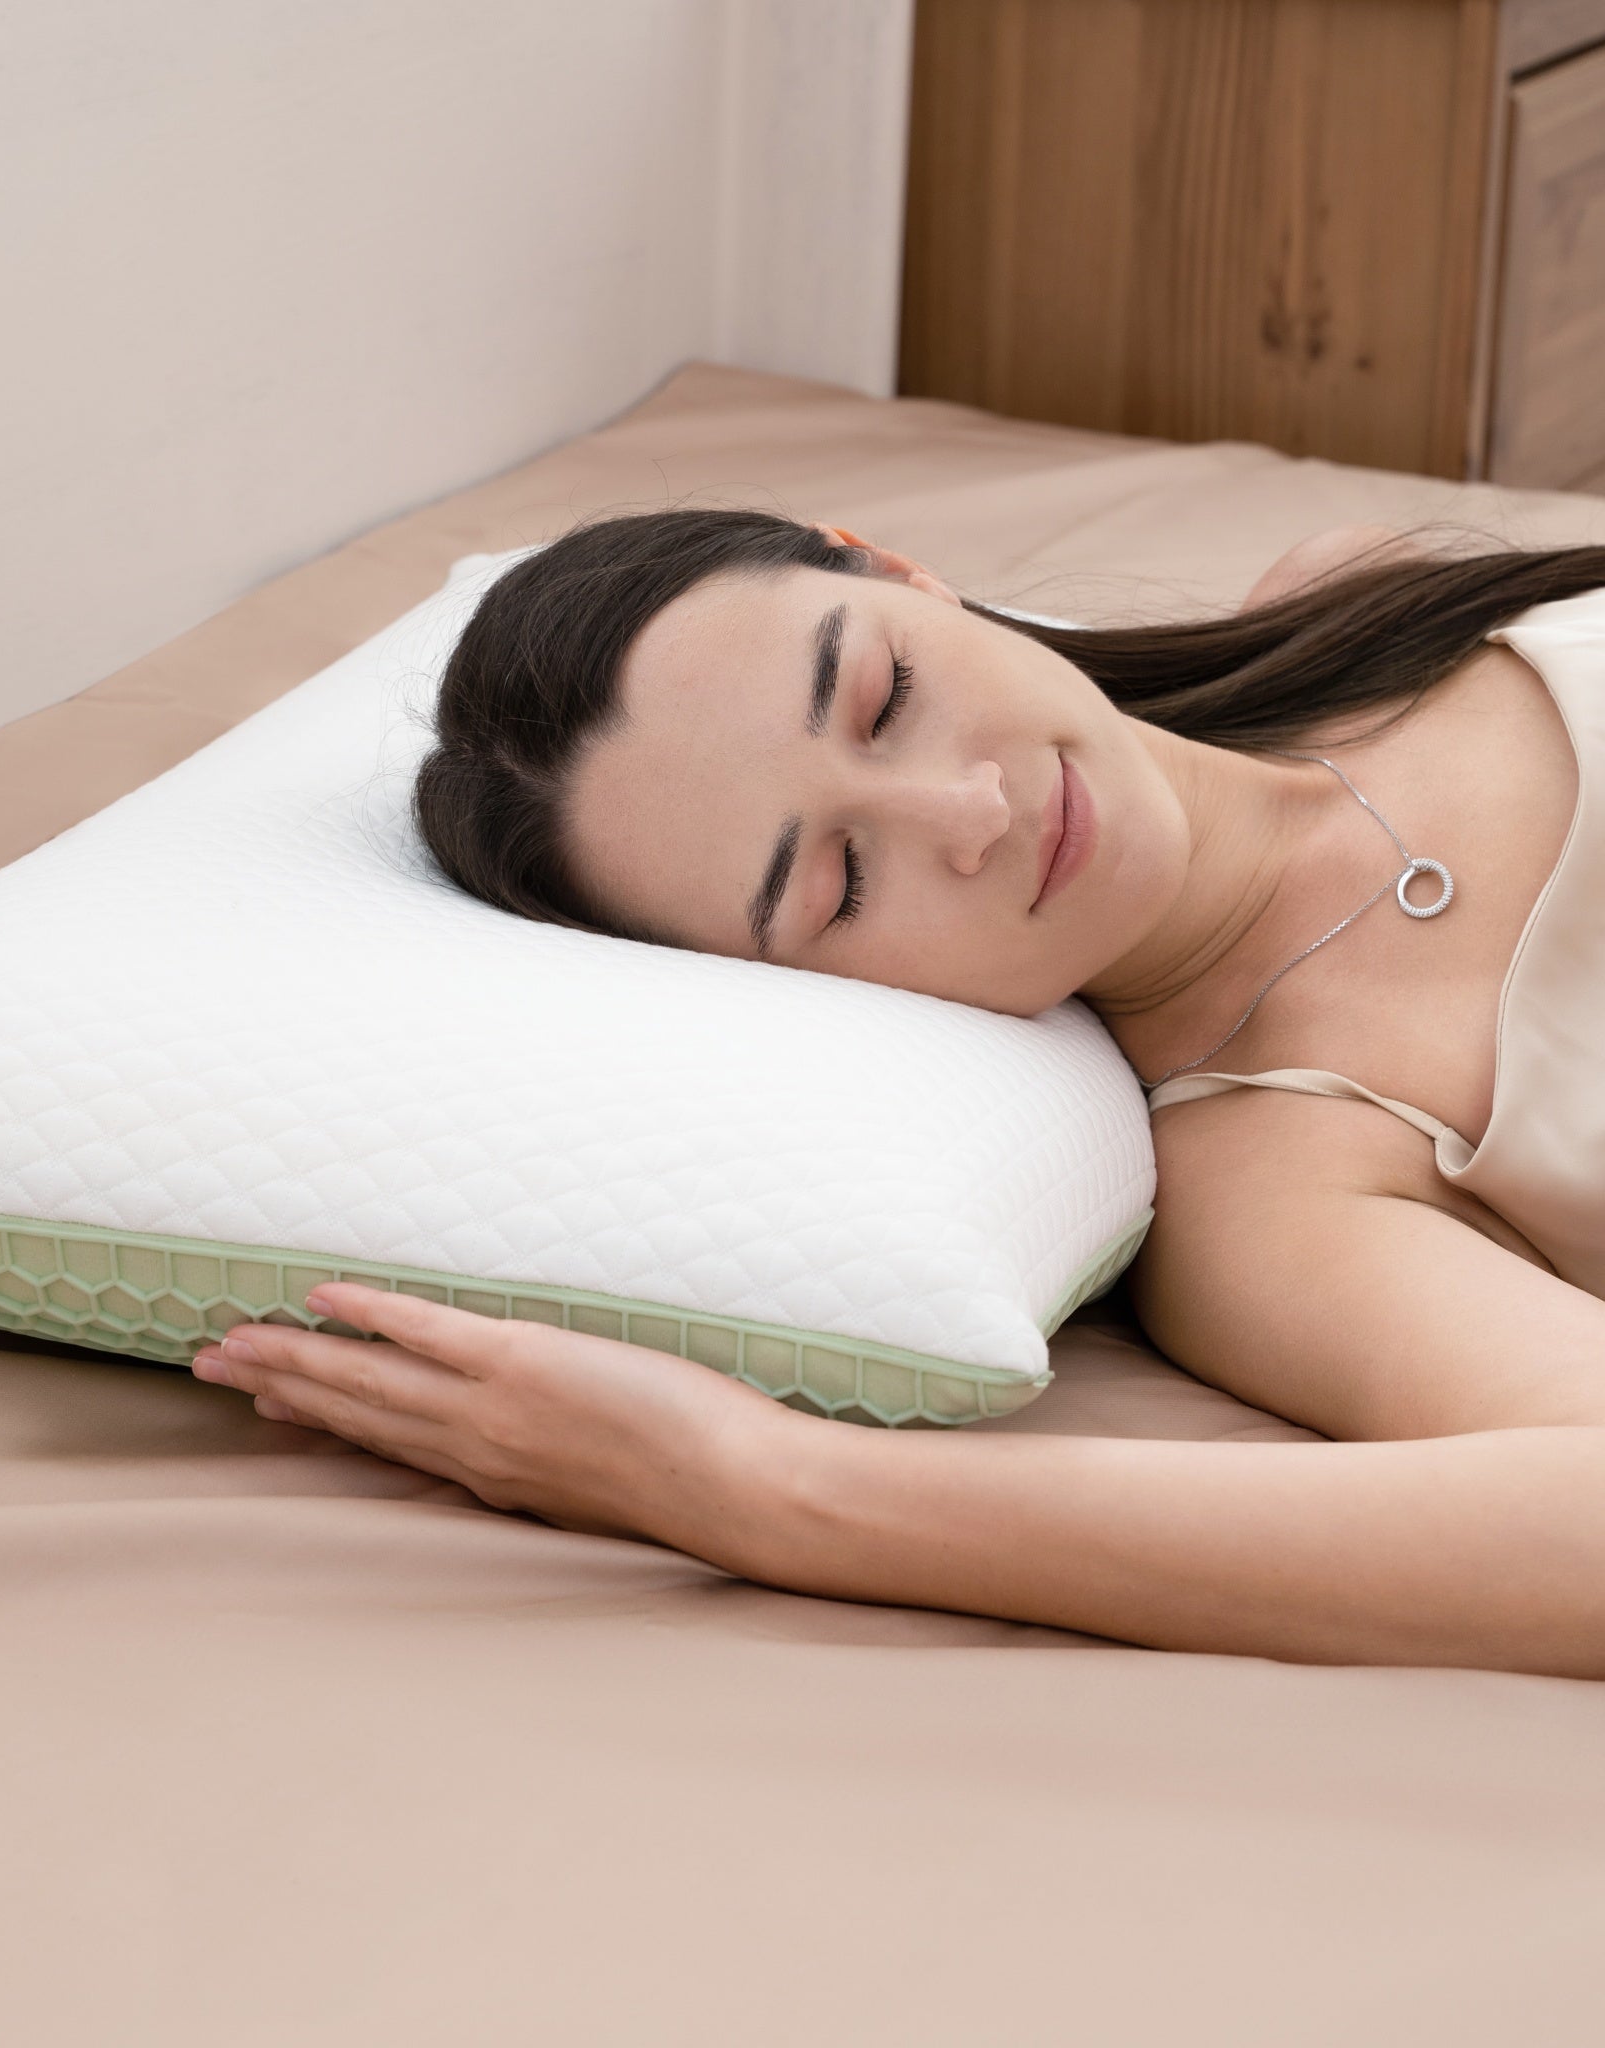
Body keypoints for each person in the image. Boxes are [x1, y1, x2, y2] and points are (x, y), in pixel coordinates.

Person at [191, 508, 1605, 1677]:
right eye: (840, 884)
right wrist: (764, 1490)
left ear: (900, 573)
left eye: (885, 695)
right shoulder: (1281, 1191)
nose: (972, 814)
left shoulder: (1364, 600)